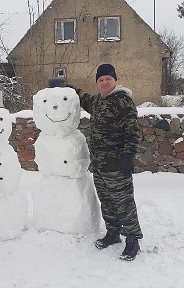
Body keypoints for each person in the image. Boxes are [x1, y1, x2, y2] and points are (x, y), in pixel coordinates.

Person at [67, 64, 143, 261]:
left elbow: (133, 132)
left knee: (123, 203)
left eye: (107, 78)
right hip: (100, 165)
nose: (104, 82)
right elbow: (84, 98)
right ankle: (113, 233)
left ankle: (133, 239)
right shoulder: (99, 101)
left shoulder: (123, 101)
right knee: (107, 202)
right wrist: (68, 87)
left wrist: (128, 157)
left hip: (117, 164)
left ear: (115, 80)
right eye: (100, 80)